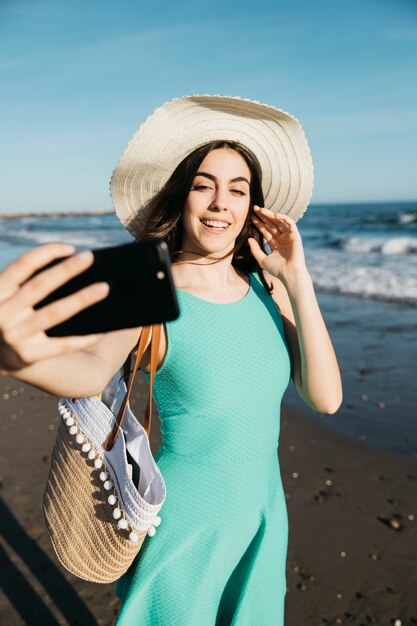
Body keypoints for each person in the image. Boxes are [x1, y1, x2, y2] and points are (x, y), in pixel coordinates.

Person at [0, 95, 342, 625]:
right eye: (203, 184)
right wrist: (16, 359)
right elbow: (90, 370)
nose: (219, 203)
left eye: (237, 189)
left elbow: (326, 397)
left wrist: (298, 280)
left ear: (253, 206)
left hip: (264, 514)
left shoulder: (266, 288)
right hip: (188, 522)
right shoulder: (150, 292)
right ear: (181, 196)